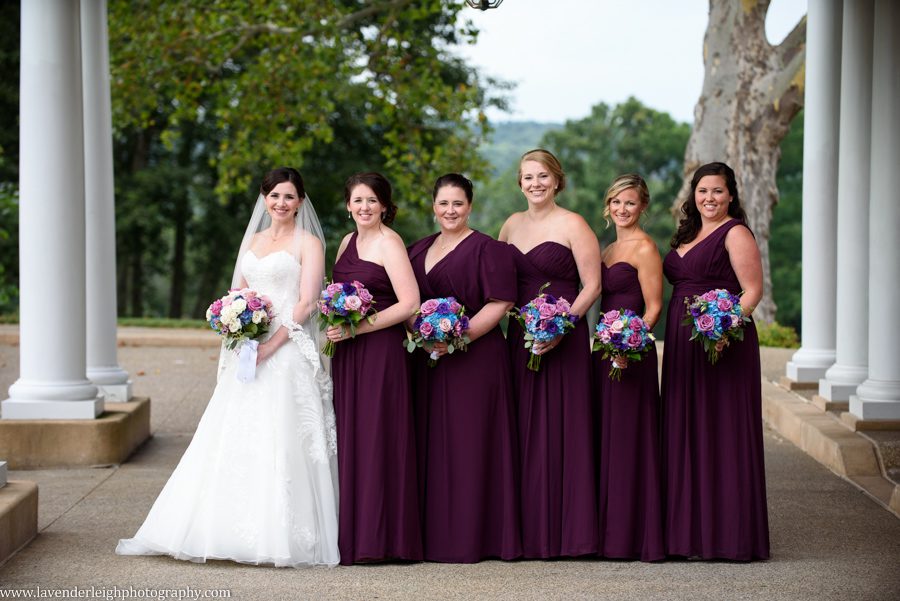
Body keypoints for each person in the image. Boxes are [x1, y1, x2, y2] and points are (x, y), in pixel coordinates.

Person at [117, 167, 339, 567]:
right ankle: (218, 527)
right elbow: (237, 291)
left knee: (281, 434)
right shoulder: (252, 240)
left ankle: (279, 536)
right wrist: (236, 323)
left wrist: (272, 343)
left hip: (286, 349)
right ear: (264, 198)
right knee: (233, 432)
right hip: (247, 350)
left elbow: (306, 303)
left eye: (289, 197)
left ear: (301, 201)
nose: (281, 203)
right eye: (274, 196)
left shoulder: (309, 244)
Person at [406, 173, 522, 563]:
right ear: (433, 207)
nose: (450, 211)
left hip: (477, 358)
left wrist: (459, 336)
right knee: (432, 441)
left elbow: (501, 301)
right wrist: (423, 332)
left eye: (458, 204)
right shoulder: (416, 250)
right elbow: (408, 302)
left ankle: (476, 537)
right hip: (429, 359)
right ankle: (432, 535)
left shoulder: (489, 249)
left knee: (472, 444)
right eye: (443, 204)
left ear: (469, 206)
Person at [661, 161, 769, 560]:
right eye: (703, 191)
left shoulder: (736, 232)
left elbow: (752, 291)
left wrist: (722, 332)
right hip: (681, 341)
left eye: (717, 192)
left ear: (731, 195)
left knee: (721, 431)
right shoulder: (688, 233)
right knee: (686, 428)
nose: (709, 198)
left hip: (722, 343)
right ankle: (687, 534)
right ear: (694, 195)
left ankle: (728, 535)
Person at [498, 149, 601, 558]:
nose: (535, 184)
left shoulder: (574, 223)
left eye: (543, 176)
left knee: (564, 427)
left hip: (566, 337)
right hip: (519, 337)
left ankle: (570, 533)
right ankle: (527, 532)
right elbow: (499, 284)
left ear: (557, 180)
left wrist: (562, 327)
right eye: (528, 177)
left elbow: (591, 285)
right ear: (520, 183)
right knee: (522, 426)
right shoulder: (510, 225)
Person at [324, 172, 422, 564]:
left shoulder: (389, 243)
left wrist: (357, 328)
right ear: (348, 206)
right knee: (353, 438)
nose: (364, 207)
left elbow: (409, 303)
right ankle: (355, 533)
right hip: (348, 354)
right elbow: (336, 293)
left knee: (378, 437)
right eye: (357, 201)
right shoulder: (347, 242)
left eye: (372, 201)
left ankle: (383, 540)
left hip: (381, 351)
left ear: (385, 205)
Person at [594, 174, 664, 561]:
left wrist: (631, 343)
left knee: (629, 439)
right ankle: (608, 532)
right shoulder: (607, 250)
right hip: (604, 351)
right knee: (606, 437)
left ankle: (635, 535)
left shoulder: (645, 248)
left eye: (630, 203)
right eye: (617, 202)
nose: (622, 209)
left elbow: (654, 307)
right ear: (609, 205)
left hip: (630, 354)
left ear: (642, 207)